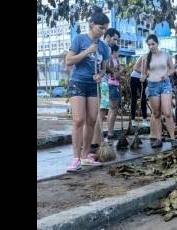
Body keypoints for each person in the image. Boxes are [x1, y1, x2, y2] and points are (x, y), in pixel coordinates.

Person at [65, 6, 110, 171]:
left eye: (105, 28)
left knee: (92, 119)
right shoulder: (80, 39)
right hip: (78, 82)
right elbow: (69, 61)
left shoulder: (104, 47)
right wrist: (88, 51)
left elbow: (104, 67)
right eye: (101, 27)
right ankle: (75, 158)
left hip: (93, 85)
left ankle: (85, 157)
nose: (103, 31)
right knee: (78, 120)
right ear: (92, 24)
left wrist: (101, 75)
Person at [140, 34, 177, 148]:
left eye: (153, 44)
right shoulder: (145, 57)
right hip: (152, 86)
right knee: (156, 114)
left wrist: (166, 74)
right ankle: (158, 138)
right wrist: (142, 77)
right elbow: (143, 73)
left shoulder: (166, 55)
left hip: (165, 84)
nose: (151, 46)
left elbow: (172, 69)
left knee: (167, 112)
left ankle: (173, 138)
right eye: (149, 45)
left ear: (157, 43)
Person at [90, 27, 120, 151]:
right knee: (100, 113)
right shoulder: (102, 46)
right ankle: (95, 141)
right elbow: (104, 65)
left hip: (103, 82)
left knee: (100, 113)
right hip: (102, 83)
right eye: (115, 39)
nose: (115, 42)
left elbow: (105, 66)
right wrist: (113, 70)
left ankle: (96, 140)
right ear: (108, 36)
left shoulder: (106, 48)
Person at [130, 56, 149, 127]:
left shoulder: (154, 59)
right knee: (134, 98)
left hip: (144, 79)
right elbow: (135, 68)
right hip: (135, 78)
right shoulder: (143, 56)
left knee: (143, 99)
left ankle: (144, 120)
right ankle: (133, 120)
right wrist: (143, 73)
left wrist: (145, 75)